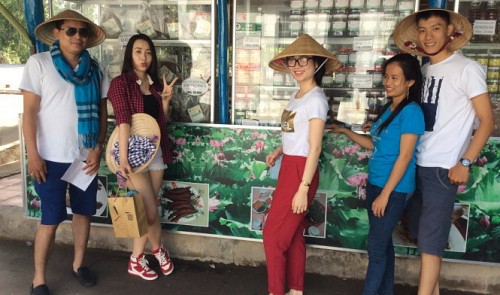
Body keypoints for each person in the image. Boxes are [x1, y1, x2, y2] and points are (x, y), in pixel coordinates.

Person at [393, 9, 495, 295]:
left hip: (442, 167)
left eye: (436, 29)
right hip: (415, 163)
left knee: (431, 240)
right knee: (421, 236)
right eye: (423, 30)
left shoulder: (467, 68)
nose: (428, 36)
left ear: (451, 32)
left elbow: (487, 121)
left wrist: (465, 161)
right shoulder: (423, 71)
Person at [19, 10, 108, 295]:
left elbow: (103, 114)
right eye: (71, 31)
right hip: (49, 159)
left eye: (82, 32)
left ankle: (78, 265)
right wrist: (33, 155)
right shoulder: (39, 64)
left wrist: (97, 148)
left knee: (83, 213)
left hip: (84, 157)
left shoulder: (96, 69)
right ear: (57, 33)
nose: (78, 36)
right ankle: (38, 279)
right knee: (51, 219)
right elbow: (30, 113)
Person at [329, 54, 424, 295]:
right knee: (383, 247)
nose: (388, 82)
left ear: (410, 82)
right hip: (376, 183)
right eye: (386, 77)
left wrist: (386, 195)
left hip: (394, 189)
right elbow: (375, 145)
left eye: (395, 78)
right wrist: (345, 131)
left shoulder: (411, 112)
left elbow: (404, 157)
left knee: (376, 248)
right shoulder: (388, 108)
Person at [264, 34, 341, 295]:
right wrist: (279, 150)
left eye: (303, 60)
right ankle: (296, 290)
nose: (297, 65)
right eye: (292, 61)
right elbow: (296, 134)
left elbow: (315, 147)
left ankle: (276, 291)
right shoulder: (297, 95)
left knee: (273, 238)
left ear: (317, 63)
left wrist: (303, 187)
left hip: (301, 173)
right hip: (290, 167)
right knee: (294, 234)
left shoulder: (316, 100)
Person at [107, 33, 176, 281]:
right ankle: (144, 256)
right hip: (132, 154)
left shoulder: (156, 85)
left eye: (148, 52)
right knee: (149, 211)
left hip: (155, 153)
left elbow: (159, 123)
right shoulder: (120, 83)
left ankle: (149, 254)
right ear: (130, 54)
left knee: (150, 209)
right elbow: (123, 120)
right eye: (138, 51)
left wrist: (165, 101)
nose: (144, 57)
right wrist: (123, 159)